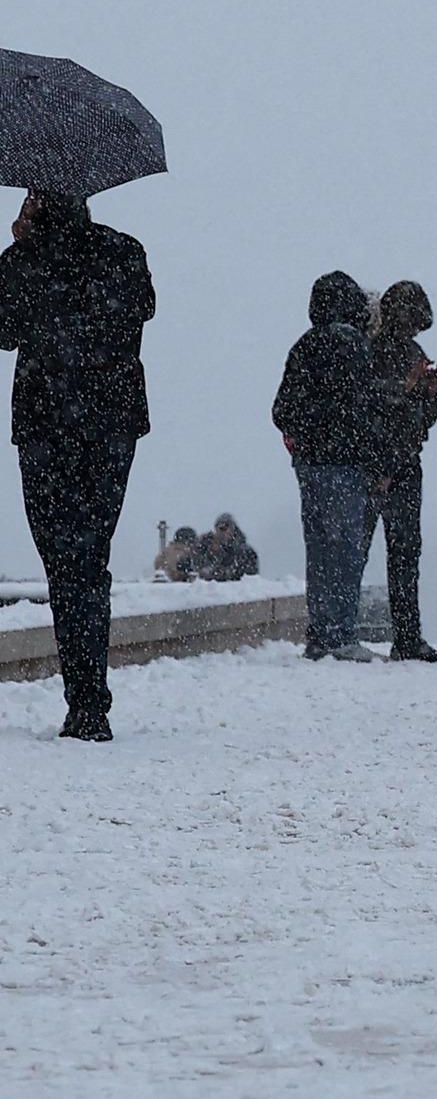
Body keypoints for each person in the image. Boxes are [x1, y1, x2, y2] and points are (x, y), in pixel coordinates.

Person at [0, 189, 156, 740]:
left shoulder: (25, 260)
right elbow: (139, 315)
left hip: (46, 422)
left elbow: (3, 332)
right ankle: (91, 701)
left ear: (38, 207)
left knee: (62, 559)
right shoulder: (124, 251)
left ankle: (84, 700)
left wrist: (22, 248)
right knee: (91, 555)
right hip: (111, 423)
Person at [274, 271, 381, 663]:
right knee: (345, 550)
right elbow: (366, 407)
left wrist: (306, 434)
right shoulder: (354, 346)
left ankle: (320, 632)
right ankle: (340, 633)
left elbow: (282, 409)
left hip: (310, 463)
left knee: (319, 550)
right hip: (345, 462)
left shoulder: (304, 345)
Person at [363, 280, 437, 662]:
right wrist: (408, 389)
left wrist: (429, 391)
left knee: (405, 552)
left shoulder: (410, 351)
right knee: (372, 550)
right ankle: (348, 632)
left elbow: (422, 416)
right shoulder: (372, 350)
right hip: (377, 464)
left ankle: (408, 636)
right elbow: (373, 407)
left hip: (403, 461)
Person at [186, 514, 259, 582]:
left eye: (225, 528)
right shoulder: (209, 547)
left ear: (233, 530)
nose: (222, 532)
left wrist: (212, 573)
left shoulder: (245, 551)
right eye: (220, 528)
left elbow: (240, 575)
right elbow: (197, 567)